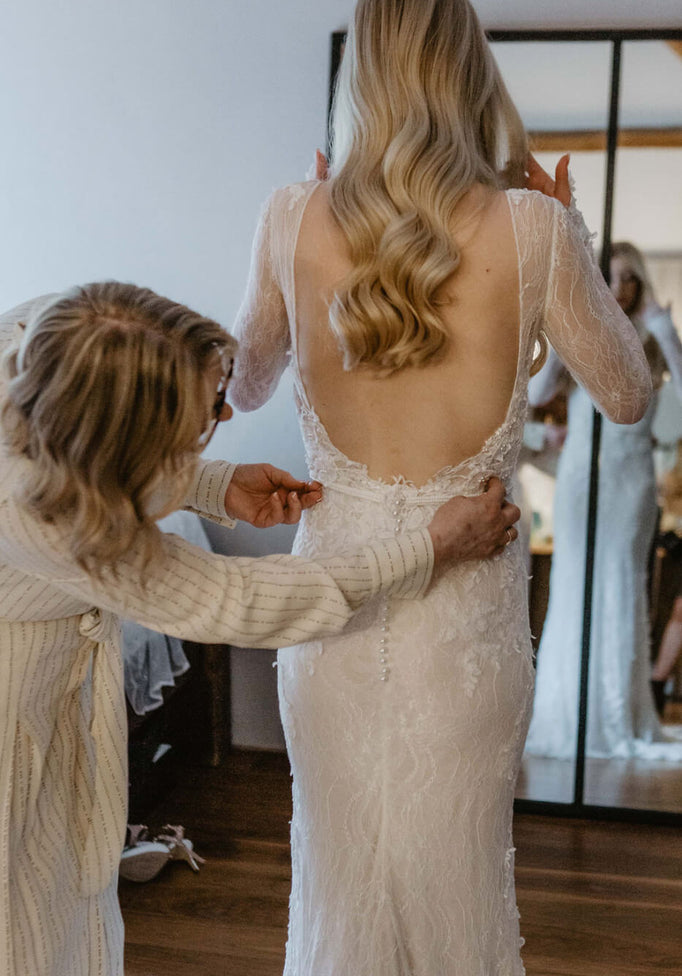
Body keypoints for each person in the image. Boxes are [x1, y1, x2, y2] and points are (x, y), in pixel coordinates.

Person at [230, 0, 652, 975]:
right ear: (469, 76)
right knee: (458, 884)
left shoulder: (291, 213)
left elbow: (243, 386)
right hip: (466, 622)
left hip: (328, 613)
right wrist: (579, 239)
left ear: (362, 81)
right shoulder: (533, 229)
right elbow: (631, 395)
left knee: (336, 872)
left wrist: (295, 247)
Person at [0, 282, 522, 976]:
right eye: (201, 421)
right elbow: (237, 599)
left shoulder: (40, 335)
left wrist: (209, 485)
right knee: (27, 926)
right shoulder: (46, 514)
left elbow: (89, 444)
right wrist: (426, 549)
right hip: (13, 714)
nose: (216, 422)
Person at [526, 241, 682, 760]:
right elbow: (532, 396)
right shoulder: (583, 335)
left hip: (631, 478)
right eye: (609, 277)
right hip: (577, 479)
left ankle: (621, 713)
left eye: (628, 278)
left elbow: (677, 414)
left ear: (638, 284)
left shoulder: (654, 342)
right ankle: (563, 712)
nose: (619, 287)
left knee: (621, 585)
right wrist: (561, 319)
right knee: (572, 585)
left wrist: (666, 333)